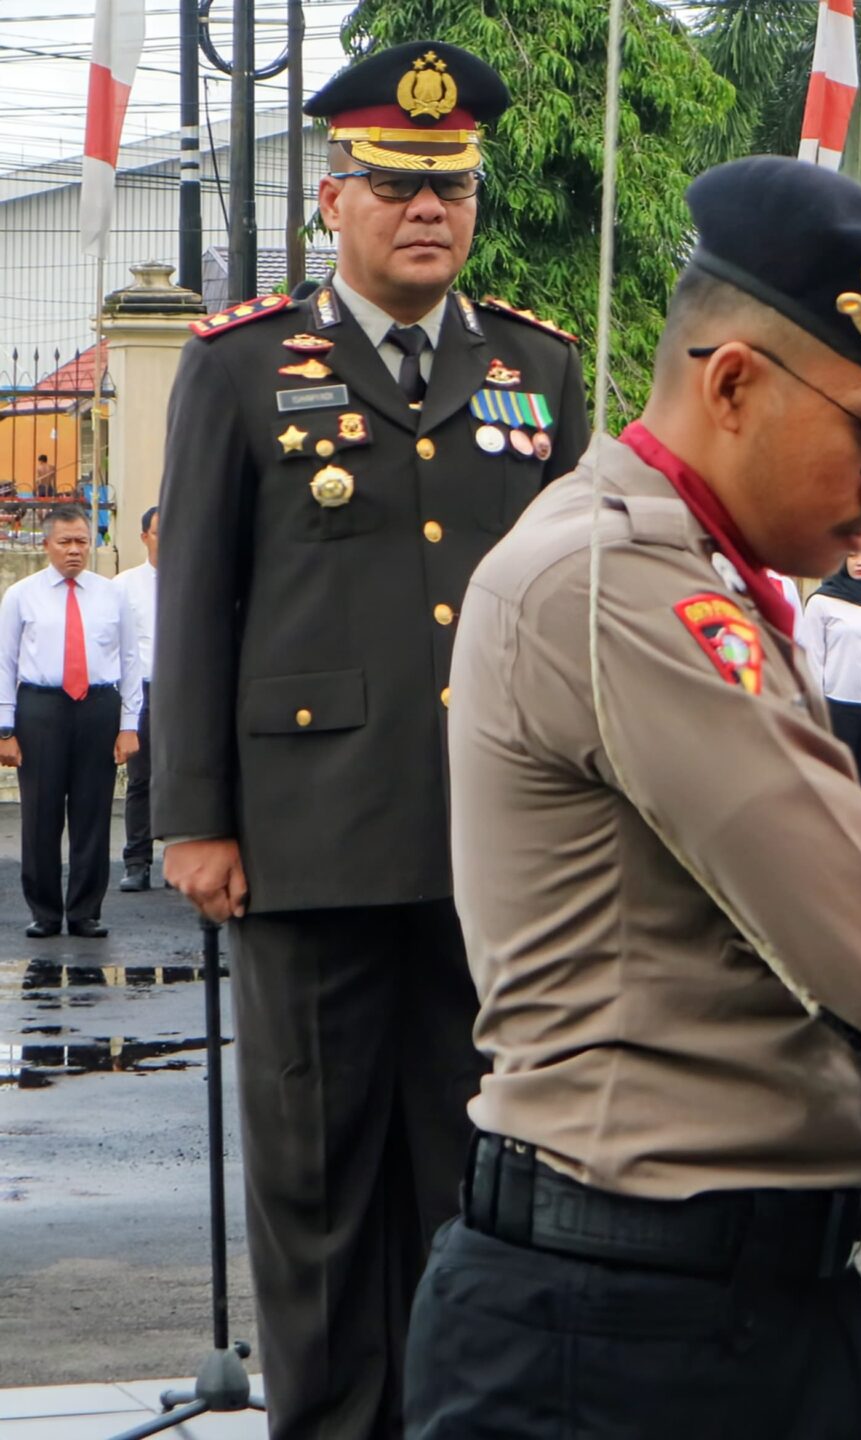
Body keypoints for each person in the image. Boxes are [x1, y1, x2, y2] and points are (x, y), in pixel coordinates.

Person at [407, 155, 861, 1437]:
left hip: (712, 1297)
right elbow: (835, 891)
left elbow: (730, 948)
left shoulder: (696, 570)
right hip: (622, 1327)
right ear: (732, 384)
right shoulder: (616, 579)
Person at [151, 42, 587, 1439]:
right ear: (334, 199)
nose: (428, 211)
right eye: (397, 185)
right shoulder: (239, 368)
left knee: (479, 1172)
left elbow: (578, 608)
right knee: (321, 1185)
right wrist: (194, 816)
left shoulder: (536, 366)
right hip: (311, 842)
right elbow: (197, 603)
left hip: (497, 853)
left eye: (450, 187)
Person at [0, 508, 142, 938]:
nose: (75, 550)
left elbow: (130, 660)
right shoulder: (21, 596)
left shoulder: (112, 595)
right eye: (65, 542)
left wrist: (129, 724)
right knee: (40, 814)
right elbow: (4, 663)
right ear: (47, 545)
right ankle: (44, 911)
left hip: (98, 706)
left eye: (81, 541)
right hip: (40, 707)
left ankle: (85, 911)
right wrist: (5, 729)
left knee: (93, 812)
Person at [802, 540, 861, 800]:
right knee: (839, 785)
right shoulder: (822, 602)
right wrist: (816, 709)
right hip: (837, 706)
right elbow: (813, 657)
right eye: (852, 556)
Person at [117, 504, 160, 890]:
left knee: (190, 775)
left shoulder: (199, 581)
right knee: (141, 778)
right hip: (142, 689)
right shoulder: (124, 586)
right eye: (160, 533)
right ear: (145, 537)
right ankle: (137, 861)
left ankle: (180, 857)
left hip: (187, 690)